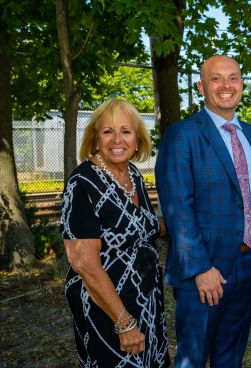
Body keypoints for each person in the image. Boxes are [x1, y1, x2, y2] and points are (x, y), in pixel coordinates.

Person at [155, 55, 251, 368]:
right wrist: (200, 268)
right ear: (202, 86)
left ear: (241, 84)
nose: (226, 86)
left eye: (233, 78)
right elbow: (178, 210)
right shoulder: (181, 136)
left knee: (231, 355)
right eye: (216, 79)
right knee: (193, 358)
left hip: (250, 262)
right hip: (205, 270)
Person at [60, 98, 170, 367]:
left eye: (125, 131)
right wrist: (124, 323)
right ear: (96, 140)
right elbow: (84, 263)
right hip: (108, 311)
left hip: (146, 304)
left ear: (137, 140)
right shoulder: (83, 183)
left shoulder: (133, 175)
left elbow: (143, 228)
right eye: (107, 131)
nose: (116, 139)